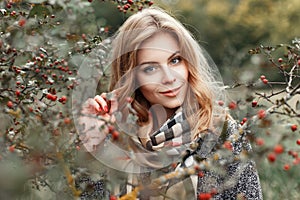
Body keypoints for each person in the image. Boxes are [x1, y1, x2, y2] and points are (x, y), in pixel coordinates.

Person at [76, 7, 263, 200]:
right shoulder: (114, 134)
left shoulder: (222, 133)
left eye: (175, 60)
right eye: (150, 69)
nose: (169, 78)